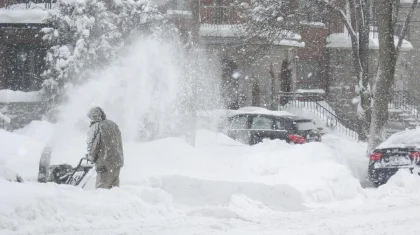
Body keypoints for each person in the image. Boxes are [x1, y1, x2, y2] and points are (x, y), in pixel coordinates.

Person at [86, 107, 124, 189]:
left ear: (93, 117)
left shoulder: (97, 126)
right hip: (117, 162)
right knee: (115, 189)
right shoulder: (113, 124)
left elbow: (95, 145)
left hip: (104, 163)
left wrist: (91, 157)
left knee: (102, 191)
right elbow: (119, 143)